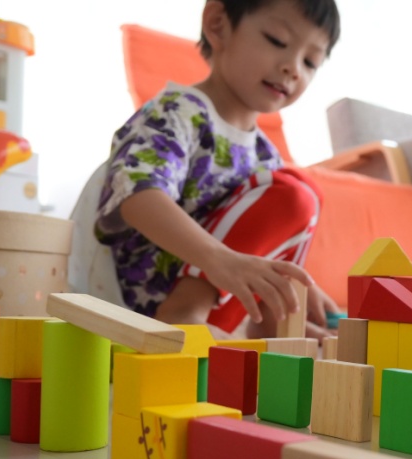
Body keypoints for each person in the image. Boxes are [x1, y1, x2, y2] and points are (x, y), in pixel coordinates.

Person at [95, 0, 341, 339]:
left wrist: (292, 284)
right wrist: (218, 259)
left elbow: (258, 235)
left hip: (219, 307)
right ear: (218, 24)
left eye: (310, 61)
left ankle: (274, 328)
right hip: (142, 302)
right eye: (277, 40)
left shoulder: (265, 155)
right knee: (295, 194)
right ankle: (183, 314)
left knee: (304, 191)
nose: (293, 68)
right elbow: (136, 194)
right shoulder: (178, 113)